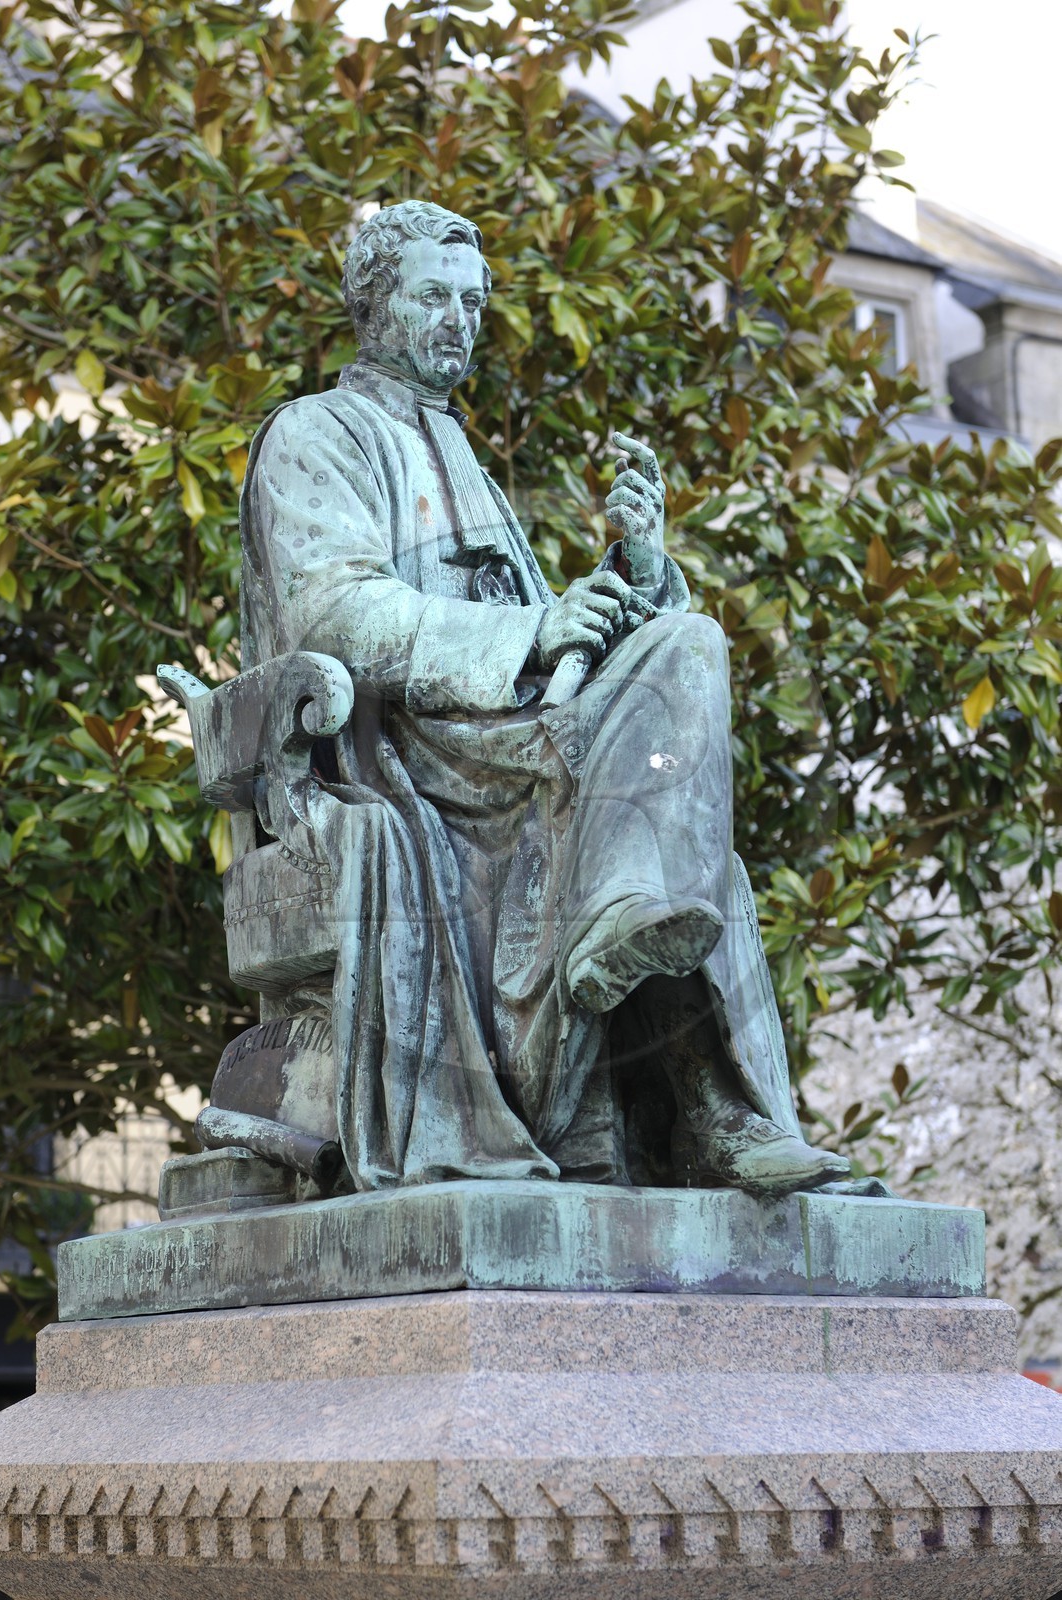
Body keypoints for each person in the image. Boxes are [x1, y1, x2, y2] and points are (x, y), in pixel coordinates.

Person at [239, 199, 854, 1196]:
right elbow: (333, 610)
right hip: (406, 753)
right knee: (653, 832)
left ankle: (715, 1106)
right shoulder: (317, 434)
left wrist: (635, 569)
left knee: (682, 643)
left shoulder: (465, 456)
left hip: (519, 736)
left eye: (473, 302)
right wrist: (535, 629)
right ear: (374, 301)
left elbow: (555, 637)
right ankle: (659, 993)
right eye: (433, 295)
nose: (458, 318)